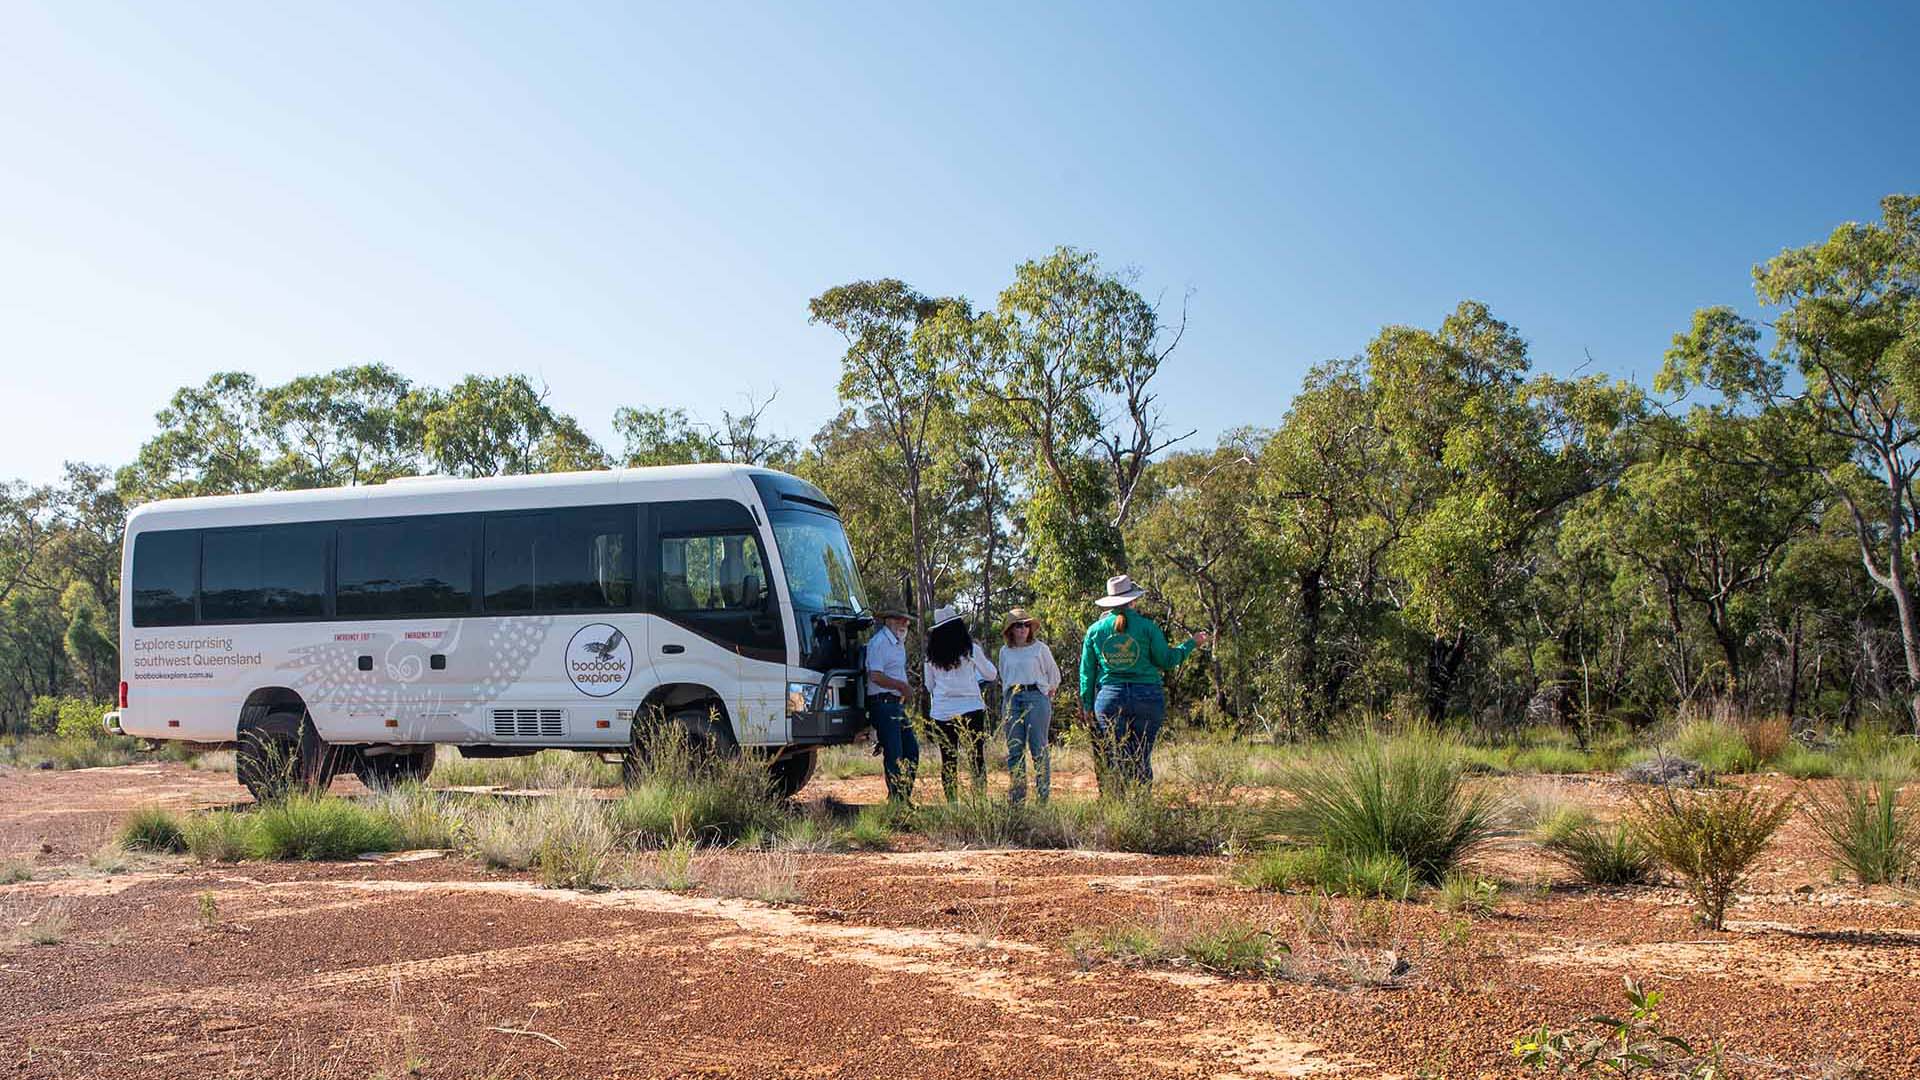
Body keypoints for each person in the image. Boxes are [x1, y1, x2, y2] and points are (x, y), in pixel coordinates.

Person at [1078, 574, 1212, 794]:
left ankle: (1117, 808)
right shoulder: (1148, 627)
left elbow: (1087, 673)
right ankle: (1142, 807)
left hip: (1110, 699)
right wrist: (1191, 644)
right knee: (1141, 756)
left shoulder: (1095, 631)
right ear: (1133, 600)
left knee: (1116, 756)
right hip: (1147, 697)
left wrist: (1086, 705)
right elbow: (1167, 660)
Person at [923, 605, 998, 802]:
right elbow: (991, 674)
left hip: (942, 712)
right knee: (976, 757)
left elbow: (929, 685)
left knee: (948, 760)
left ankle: (952, 804)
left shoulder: (930, 656)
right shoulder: (971, 649)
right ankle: (980, 801)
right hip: (971, 709)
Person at [997, 608, 1060, 804]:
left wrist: (1048, 690)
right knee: (1015, 750)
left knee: (1038, 750)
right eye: (1018, 625)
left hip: (1036, 697)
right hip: (1012, 698)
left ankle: (1043, 799)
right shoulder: (1005, 651)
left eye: (1026, 624)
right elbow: (1003, 675)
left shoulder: (1040, 648)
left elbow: (1054, 674)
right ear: (1011, 630)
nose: (1023, 629)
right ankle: (1017, 800)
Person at [865, 607, 918, 802]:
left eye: (906, 620)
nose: (905, 623)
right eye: (900, 619)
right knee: (895, 753)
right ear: (889, 620)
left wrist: (902, 690)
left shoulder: (898, 643)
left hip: (895, 704)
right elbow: (875, 675)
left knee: (911, 750)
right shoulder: (879, 643)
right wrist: (902, 686)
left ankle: (903, 798)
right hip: (883, 704)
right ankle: (897, 801)